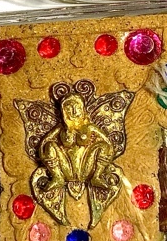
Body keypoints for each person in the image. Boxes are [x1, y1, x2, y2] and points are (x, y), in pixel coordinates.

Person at [30, 92, 122, 228]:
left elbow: (108, 143)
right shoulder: (61, 129)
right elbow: (45, 142)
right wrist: (45, 157)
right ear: (63, 111)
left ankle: (97, 177)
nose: (73, 111)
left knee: (102, 146)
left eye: (77, 107)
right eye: (69, 108)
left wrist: (107, 156)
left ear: (82, 109)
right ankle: (56, 177)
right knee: (50, 145)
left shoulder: (90, 127)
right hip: (65, 169)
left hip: (88, 168)